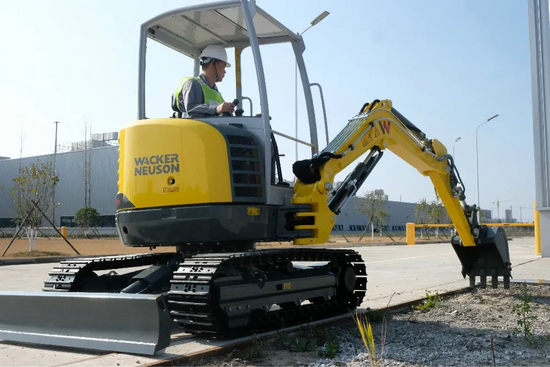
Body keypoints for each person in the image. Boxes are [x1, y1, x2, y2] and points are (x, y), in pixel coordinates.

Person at [172, 45, 235, 118]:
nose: (225, 71)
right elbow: (191, 109)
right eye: (223, 67)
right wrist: (216, 109)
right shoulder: (193, 84)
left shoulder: (216, 93)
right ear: (213, 64)